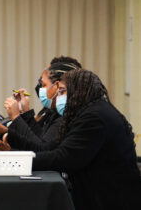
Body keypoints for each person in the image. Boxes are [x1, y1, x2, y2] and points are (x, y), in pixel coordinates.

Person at [33, 69, 141, 209]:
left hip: (112, 200)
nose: (58, 97)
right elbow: (52, 146)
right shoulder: (90, 112)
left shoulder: (94, 117)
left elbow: (64, 158)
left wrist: (24, 162)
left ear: (78, 90)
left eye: (62, 91)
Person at [0, 57, 82, 152]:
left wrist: (16, 117)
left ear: (57, 86)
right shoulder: (55, 112)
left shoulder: (65, 117)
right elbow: (39, 137)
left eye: (43, 85)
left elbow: (41, 149)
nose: (40, 88)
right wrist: (10, 127)